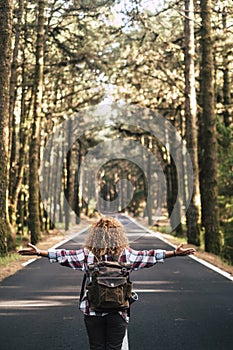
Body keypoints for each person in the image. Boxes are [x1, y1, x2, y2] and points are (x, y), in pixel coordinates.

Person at [18, 216, 196, 350]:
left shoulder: (88, 256)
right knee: (114, 348)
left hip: (92, 311)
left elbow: (63, 255)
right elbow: (149, 256)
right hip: (118, 311)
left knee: (96, 348)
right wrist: (174, 253)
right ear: (119, 235)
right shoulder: (126, 255)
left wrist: (40, 252)